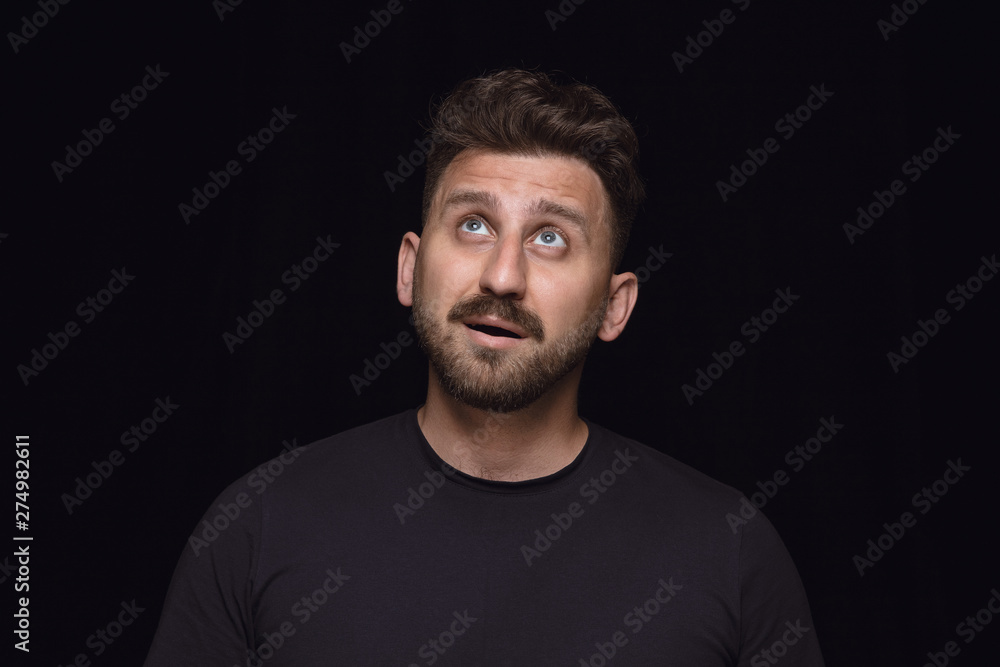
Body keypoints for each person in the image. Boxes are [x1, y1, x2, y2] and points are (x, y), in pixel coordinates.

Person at [144, 69, 825, 666]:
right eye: (473, 224)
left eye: (551, 237)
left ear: (615, 306)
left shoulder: (729, 554)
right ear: (410, 266)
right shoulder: (256, 527)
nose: (503, 276)